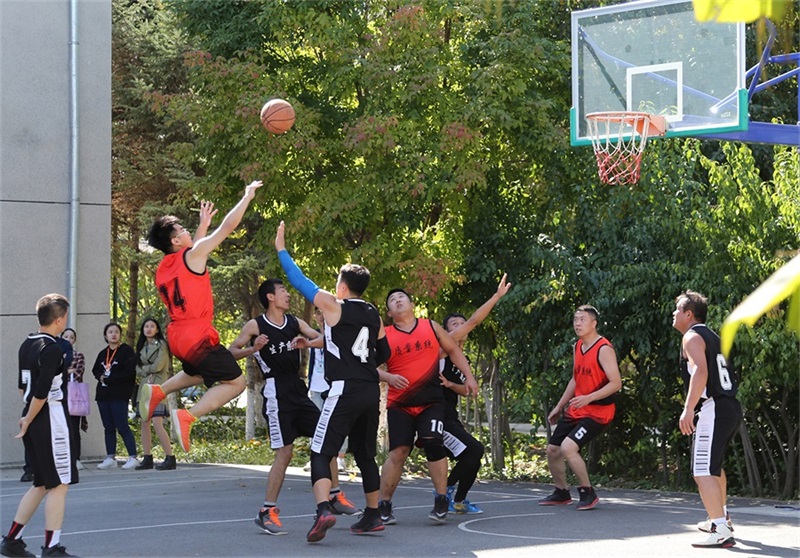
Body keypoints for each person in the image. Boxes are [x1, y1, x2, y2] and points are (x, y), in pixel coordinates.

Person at [275, 221, 391, 542]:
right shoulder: (373, 313)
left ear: (342, 286)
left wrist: (282, 250)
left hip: (343, 389)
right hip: (369, 389)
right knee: (365, 455)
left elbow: (299, 280)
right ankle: (373, 515)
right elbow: (384, 351)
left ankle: (323, 509)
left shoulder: (334, 305)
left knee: (320, 451)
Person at [228, 279, 358, 536]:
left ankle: (334, 495)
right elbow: (231, 351)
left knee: (327, 437)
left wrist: (308, 342)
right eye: (283, 291)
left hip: (298, 389)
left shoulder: (295, 322)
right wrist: (253, 349)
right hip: (276, 392)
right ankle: (267, 511)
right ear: (270, 297)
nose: (288, 294)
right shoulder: (256, 325)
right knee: (285, 454)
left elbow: (322, 339)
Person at [139, 183, 261, 452]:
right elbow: (227, 228)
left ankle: (160, 390)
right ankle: (188, 416)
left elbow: (192, 252)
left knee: (197, 372)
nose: (187, 232)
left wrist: (202, 225)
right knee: (237, 382)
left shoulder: (165, 267)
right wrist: (246, 197)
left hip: (177, 335)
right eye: (182, 230)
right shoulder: (193, 255)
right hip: (196, 334)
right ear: (175, 241)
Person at [378, 288, 478, 525]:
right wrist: (388, 377)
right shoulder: (384, 335)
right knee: (399, 452)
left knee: (434, 444)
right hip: (400, 403)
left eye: (402, 297)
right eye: (392, 300)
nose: (398, 300)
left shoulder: (430, 326)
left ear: (412, 304)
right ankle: (383, 505)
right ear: (389, 313)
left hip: (431, 402)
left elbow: (453, 349)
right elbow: (366, 365)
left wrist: (469, 377)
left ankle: (441, 500)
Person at [1, 293, 76, 558]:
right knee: (59, 483)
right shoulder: (52, 348)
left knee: (42, 482)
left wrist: (27, 417)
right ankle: (51, 548)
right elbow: (42, 392)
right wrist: (29, 420)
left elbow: (23, 387)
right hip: (48, 417)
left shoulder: (27, 344)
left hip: (33, 414)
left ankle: (12, 540)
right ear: (60, 319)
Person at [672, 291, 742, 548]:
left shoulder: (691, 337)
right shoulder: (713, 336)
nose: (674, 314)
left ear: (689, 314)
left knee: (702, 470)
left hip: (713, 407)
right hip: (729, 406)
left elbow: (701, 371)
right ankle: (721, 518)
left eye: (677, 310)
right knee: (713, 467)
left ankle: (720, 529)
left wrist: (688, 408)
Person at [439, 273, 511, 514]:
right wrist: (496, 296)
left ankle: (457, 500)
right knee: (475, 450)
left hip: (450, 417)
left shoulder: (463, 360)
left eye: (462, 324)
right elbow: (474, 320)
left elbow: (465, 391)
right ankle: (444, 493)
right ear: (446, 331)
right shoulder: (442, 351)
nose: (461, 327)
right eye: (455, 325)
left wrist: (451, 385)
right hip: (435, 418)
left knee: (472, 456)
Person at [539, 305, 621, 511]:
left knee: (568, 447)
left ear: (594, 323)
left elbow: (616, 383)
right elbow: (576, 379)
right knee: (553, 450)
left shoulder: (604, 348)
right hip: (578, 408)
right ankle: (561, 492)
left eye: (582, 319)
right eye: (575, 319)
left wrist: (588, 398)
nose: (577, 323)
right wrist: (559, 406)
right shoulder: (578, 346)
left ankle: (588, 492)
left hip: (599, 412)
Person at [306, 307, 348, 473]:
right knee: (316, 423)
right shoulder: (312, 335)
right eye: (318, 312)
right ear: (315, 316)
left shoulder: (340, 333)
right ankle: (316, 457)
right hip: (316, 386)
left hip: (335, 385)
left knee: (338, 422)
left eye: (324, 311)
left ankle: (340, 457)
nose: (321, 316)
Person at [91, 322, 138, 470]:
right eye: (110, 332)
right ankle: (110, 457)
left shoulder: (126, 351)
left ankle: (133, 457)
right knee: (108, 427)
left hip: (119, 394)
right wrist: (101, 377)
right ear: (105, 336)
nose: (113, 334)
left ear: (120, 335)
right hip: (103, 395)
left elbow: (129, 372)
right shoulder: (102, 353)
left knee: (122, 426)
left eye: (116, 332)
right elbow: (95, 370)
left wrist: (111, 379)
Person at [134, 318, 175, 471]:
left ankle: (170, 457)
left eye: (152, 326)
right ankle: (147, 457)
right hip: (144, 387)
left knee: (157, 422)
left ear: (157, 329)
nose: (149, 329)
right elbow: (137, 368)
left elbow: (159, 366)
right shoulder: (141, 346)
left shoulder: (162, 345)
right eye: (146, 326)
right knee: (144, 422)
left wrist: (145, 369)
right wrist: (144, 370)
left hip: (158, 386)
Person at [61, 328, 87, 471]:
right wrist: (65, 371)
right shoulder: (56, 355)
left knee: (74, 429)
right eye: (65, 337)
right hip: (58, 395)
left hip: (74, 396)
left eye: (71, 337)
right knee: (60, 428)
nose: (68, 339)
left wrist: (63, 372)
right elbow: (52, 374)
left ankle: (76, 458)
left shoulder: (79, 356)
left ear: (75, 340)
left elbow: (78, 373)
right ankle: (63, 458)